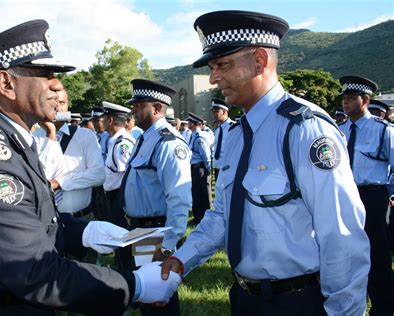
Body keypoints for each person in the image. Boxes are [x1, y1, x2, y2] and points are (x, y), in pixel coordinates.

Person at [0, 19, 181, 316]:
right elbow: (35, 271)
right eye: (45, 75)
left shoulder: (12, 141)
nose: (57, 86)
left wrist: (84, 232)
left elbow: (34, 218)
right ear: (6, 84)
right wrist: (134, 285)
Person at [160, 10, 370, 316]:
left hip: (296, 302)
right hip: (245, 299)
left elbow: (341, 234)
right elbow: (223, 215)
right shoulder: (236, 134)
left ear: (259, 60)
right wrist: (183, 258)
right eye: (212, 67)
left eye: (223, 65)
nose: (214, 78)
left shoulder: (305, 130)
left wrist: (344, 312)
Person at [122, 79, 192, 315]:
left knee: (160, 301)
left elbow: (179, 198)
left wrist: (168, 246)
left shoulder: (168, 142)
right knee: (148, 297)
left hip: (157, 234)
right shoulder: (145, 138)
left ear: (157, 108)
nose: (133, 110)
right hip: (141, 232)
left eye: (139, 105)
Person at [338, 75, 393, 316]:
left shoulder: (383, 131)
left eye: (351, 98)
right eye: (344, 99)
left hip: (372, 197)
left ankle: (383, 308)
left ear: (365, 100)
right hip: (344, 197)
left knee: (377, 255)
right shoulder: (338, 131)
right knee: (343, 253)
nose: (345, 103)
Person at [34, 88, 105, 263]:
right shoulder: (34, 137)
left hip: (82, 217)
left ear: (68, 107)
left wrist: (61, 183)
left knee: (87, 272)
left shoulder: (84, 135)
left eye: (62, 102)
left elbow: (98, 175)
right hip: (49, 221)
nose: (57, 106)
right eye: (52, 101)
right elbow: (38, 177)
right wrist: (50, 135)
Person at [101, 101, 135, 228]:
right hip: (115, 196)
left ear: (110, 120)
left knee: (123, 235)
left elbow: (127, 174)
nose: (101, 121)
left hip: (120, 197)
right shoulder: (115, 140)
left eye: (103, 118)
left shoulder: (122, 144)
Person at [187, 112, 211, 224]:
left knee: (202, 194)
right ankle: (197, 217)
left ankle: (204, 218)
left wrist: (207, 168)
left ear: (193, 124)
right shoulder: (193, 135)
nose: (187, 124)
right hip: (194, 168)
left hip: (199, 168)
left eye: (189, 122)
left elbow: (205, 154)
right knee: (195, 193)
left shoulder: (199, 137)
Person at [211, 98, 234, 180]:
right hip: (218, 167)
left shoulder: (233, 127)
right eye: (213, 111)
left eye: (216, 111)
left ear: (224, 112)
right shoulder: (218, 129)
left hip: (229, 168)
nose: (213, 114)